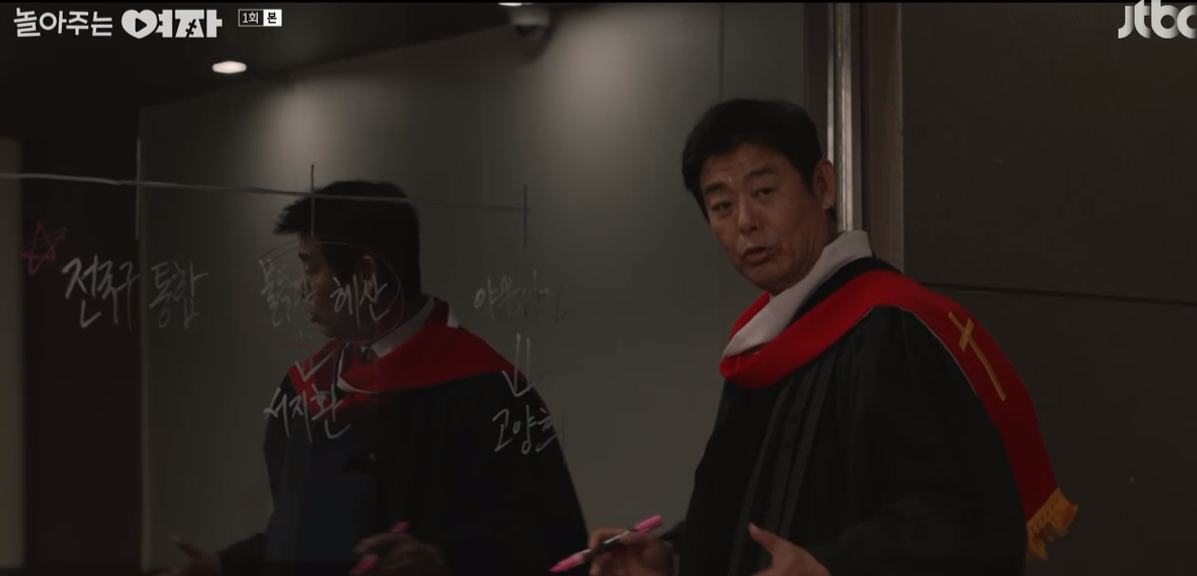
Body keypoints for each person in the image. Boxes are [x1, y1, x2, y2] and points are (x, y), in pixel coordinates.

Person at [587, 100, 1077, 576]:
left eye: (764, 192)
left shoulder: (892, 328)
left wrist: (835, 566)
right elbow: (759, 511)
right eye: (721, 205)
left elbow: (966, 519)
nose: (745, 221)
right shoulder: (760, 348)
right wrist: (673, 557)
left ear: (822, 186)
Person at [158, 181, 589, 576]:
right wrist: (223, 565)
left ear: (365, 275)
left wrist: (444, 560)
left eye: (310, 268)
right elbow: (300, 536)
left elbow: (556, 542)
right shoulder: (304, 394)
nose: (302, 289)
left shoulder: (491, 393)